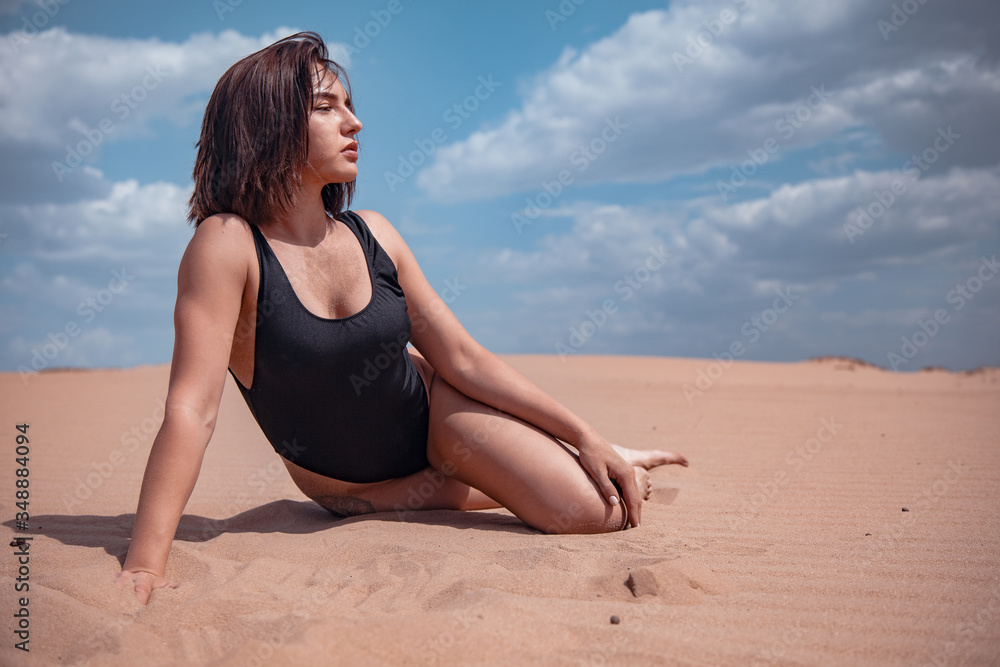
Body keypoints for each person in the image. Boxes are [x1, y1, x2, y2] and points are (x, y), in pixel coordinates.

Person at [115, 32, 687, 605]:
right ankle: (575, 463)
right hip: (359, 491)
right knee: (583, 499)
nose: (354, 122)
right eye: (326, 107)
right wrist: (144, 563)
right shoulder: (227, 245)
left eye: (349, 105)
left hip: (439, 417)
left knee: (596, 511)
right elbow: (192, 410)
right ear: (266, 125)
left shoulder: (376, 234)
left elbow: (463, 359)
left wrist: (584, 434)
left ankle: (593, 457)